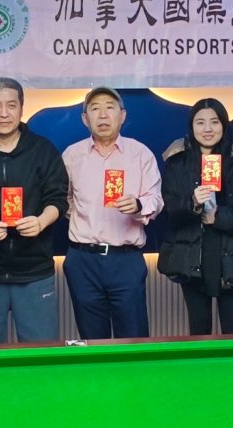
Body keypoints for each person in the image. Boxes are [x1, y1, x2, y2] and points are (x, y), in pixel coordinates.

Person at [0, 77, 68, 344]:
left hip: (35, 271)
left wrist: (41, 221)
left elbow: (58, 199)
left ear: (21, 108)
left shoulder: (43, 149)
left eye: (11, 105)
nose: (4, 113)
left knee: (41, 354)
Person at [62, 87, 163, 339]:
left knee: (133, 337)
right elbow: (64, 200)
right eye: (95, 109)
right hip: (82, 259)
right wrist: (85, 217)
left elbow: (156, 200)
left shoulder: (140, 153)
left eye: (110, 107)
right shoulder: (72, 155)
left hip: (125, 259)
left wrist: (138, 205)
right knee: (92, 338)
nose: (103, 115)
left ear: (122, 115)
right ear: (85, 118)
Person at [158, 98, 233, 334]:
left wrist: (219, 217)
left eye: (214, 122)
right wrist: (192, 204)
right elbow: (168, 209)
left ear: (224, 125)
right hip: (192, 256)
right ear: (191, 126)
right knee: (198, 331)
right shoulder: (178, 159)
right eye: (200, 122)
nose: (207, 129)